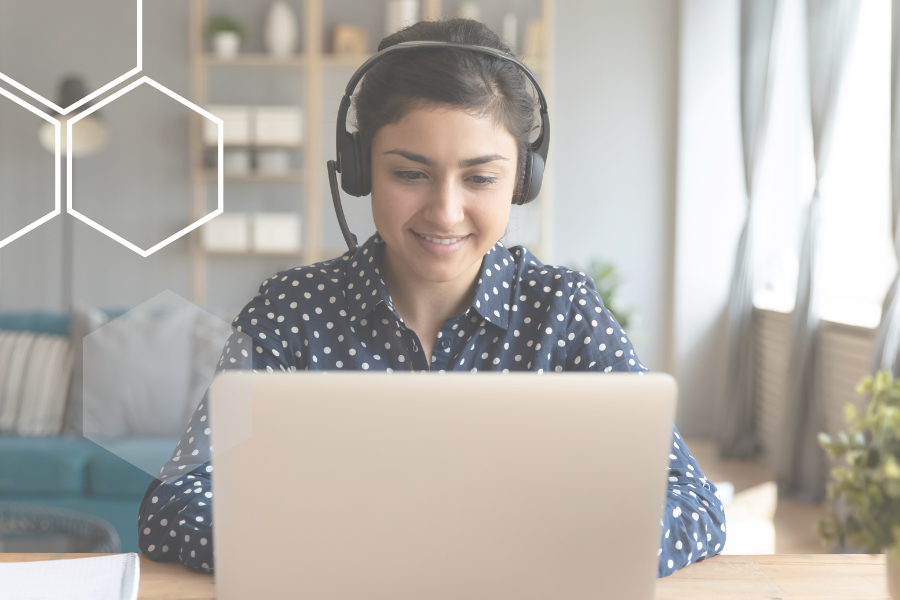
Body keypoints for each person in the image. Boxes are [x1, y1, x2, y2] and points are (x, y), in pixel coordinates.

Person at [138, 18, 726, 578]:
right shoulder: (289, 314)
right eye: (410, 174)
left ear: (523, 180)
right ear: (359, 168)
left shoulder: (562, 314)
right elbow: (176, 502)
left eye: (480, 178)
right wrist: (360, 552)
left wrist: (531, 548)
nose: (445, 212)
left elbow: (689, 501)